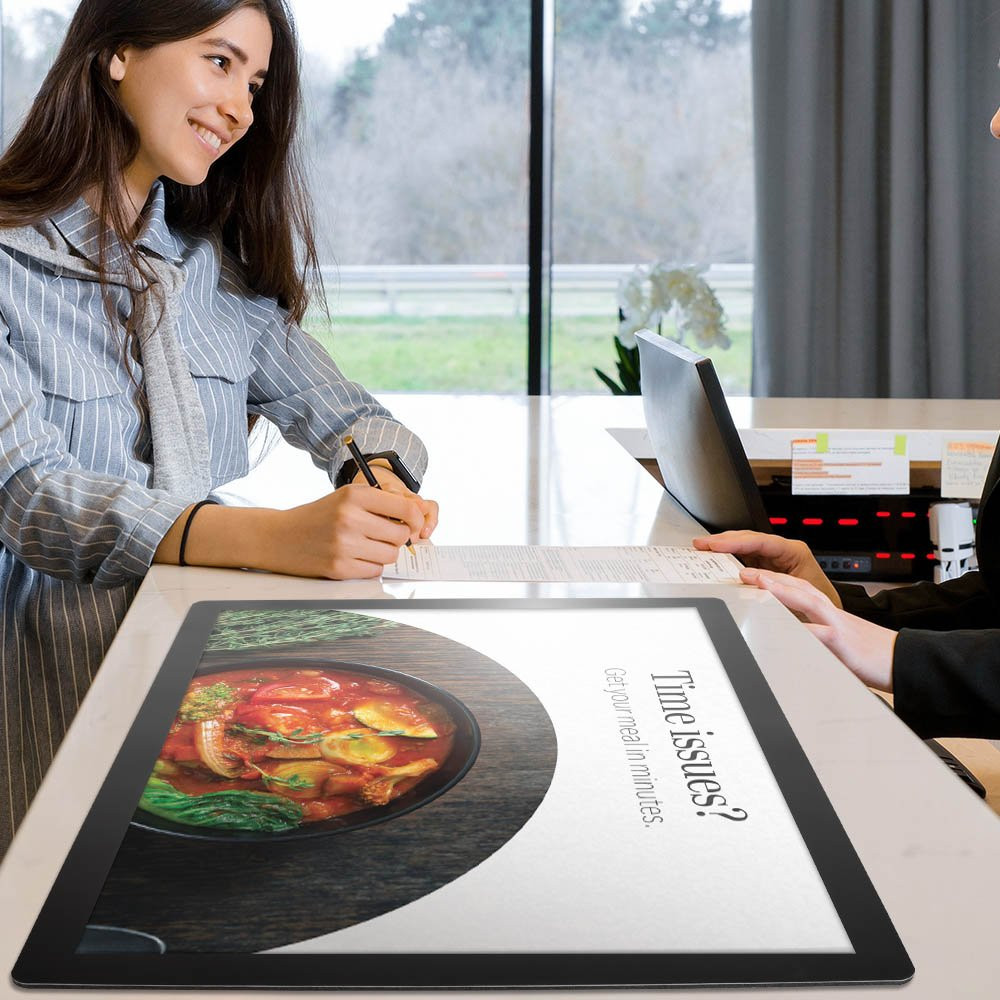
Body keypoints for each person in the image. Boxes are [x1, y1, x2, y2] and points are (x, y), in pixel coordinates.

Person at [0, 0, 438, 855]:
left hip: (212, 686)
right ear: (118, 52)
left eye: (257, 82)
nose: (241, 107)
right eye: (219, 61)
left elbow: (349, 417)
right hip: (45, 679)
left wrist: (374, 478)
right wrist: (269, 538)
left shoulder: (218, 275)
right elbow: (29, 495)